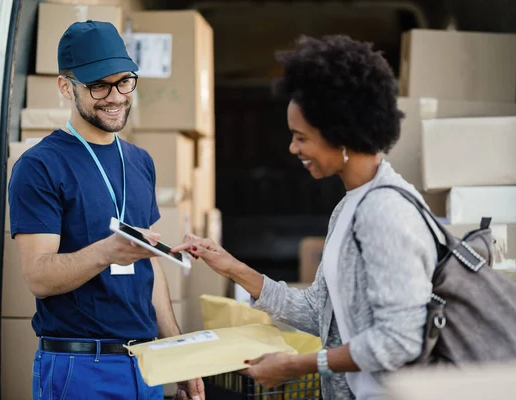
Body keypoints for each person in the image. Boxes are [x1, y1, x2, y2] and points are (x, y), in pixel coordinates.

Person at [171, 35, 436, 399]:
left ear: (340, 135)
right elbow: (318, 314)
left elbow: (399, 341)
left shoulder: (385, 213)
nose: (293, 148)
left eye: (301, 137)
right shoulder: (349, 207)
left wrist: (299, 365)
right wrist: (232, 267)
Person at [8, 20, 204, 400]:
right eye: (98, 84)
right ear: (66, 86)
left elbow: (149, 266)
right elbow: (38, 277)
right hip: (79, 368)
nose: (115, 96)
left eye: (124, 81)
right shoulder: (40, 165)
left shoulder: (139, 161)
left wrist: (177, 352)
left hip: (146, 363)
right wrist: (106, 251)